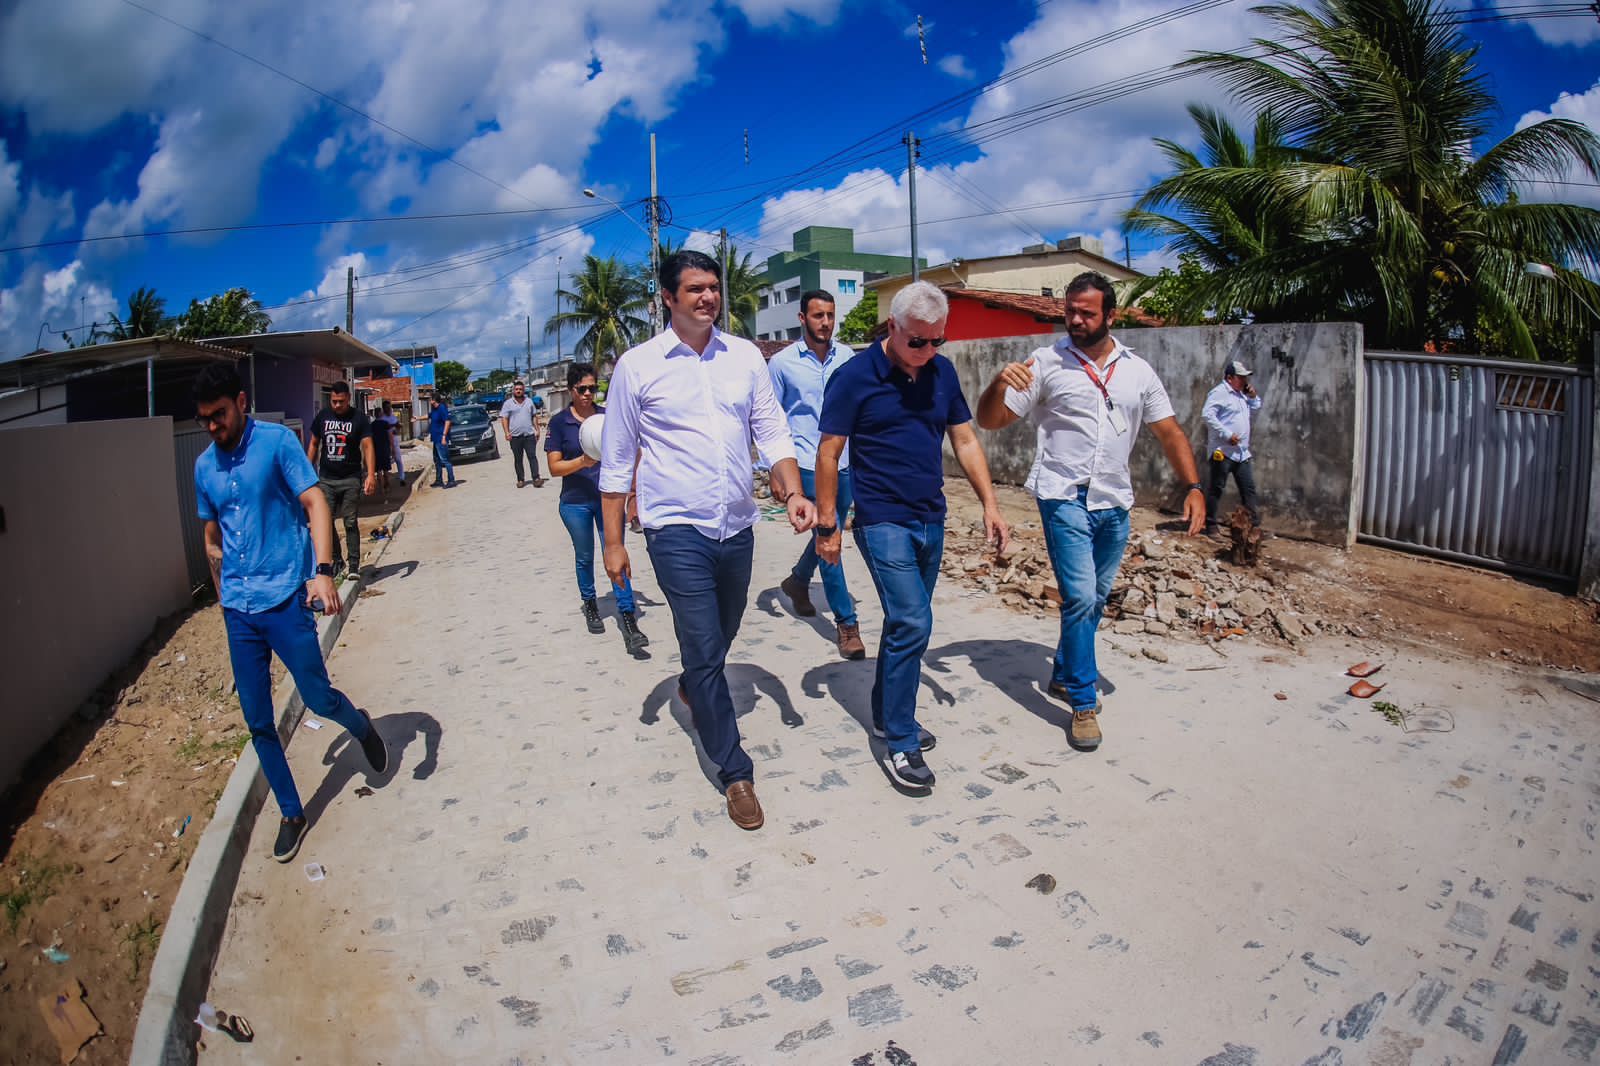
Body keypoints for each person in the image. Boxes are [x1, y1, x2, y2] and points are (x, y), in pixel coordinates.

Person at [600, 250, 816, 831]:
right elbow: (618, 462)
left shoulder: (744, 356)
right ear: (668, 298)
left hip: (738, 525)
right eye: (694, 289)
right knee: (701, 645)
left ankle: (697, 683)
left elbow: (771, 428)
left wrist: (792, 490)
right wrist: (614, 543)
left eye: (713, 288)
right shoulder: (638, 366)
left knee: (722, 631)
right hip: (675, 529)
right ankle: (734, 770)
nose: (708, 297)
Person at [976, 272, 1205, 753]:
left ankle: (1062, 671)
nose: (1076, 320)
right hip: (1062, 495)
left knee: (1096, 599)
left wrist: (1194, 487)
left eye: (1087, 312)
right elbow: (990, 421)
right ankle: (1081, 702)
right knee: (1079, 596)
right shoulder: (1045, 363)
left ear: (1110, 315)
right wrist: (998, 383)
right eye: (1070, 311)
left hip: (1114, 501)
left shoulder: (1137, 370)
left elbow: (1169, 432)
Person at [816, 281, 1010, 793]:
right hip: (881, 519)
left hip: (930, 516)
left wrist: (990, 503)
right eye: (917, 341)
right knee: (911, 619)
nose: (927, 352)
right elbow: (829, 453)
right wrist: (827, 523)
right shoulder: (854, 377)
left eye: (936, 341)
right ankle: (899, 740)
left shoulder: (941, 372)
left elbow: (964, 438)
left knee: (907, 626)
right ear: (893, 327)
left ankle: (884, 712)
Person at [191, 362, 387, 863]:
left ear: (240, 401)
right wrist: (221, 595)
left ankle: (361, 726)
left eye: (219, 414)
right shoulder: (203, 467)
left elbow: (315, 502)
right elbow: (212, 538)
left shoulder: (277, 443)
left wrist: (322, 571)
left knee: (318, 699)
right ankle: (292, 812)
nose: (213, 426)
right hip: (239, 611)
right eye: (204, 419)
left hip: (284, 599)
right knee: (257, 722)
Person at [768, 290, 865, 660]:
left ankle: (797, 581)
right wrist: (775, 472)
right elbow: (770, 420)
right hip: (805, 462)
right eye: (818, 315)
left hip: (845, 462)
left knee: (829, 529)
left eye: (830, 315)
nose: (825, 322)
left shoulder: (848, 358)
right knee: (830, 533)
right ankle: (847, 622)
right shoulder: (782, 364)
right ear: (801, 317)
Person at [546, 362, 648, 653]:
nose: (589, 393)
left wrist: (633, 494)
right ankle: (590, 604)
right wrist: (583, 462)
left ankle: (628, 618)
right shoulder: (558, 423)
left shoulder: (608, 417)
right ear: (571, 390)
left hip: (609, 500)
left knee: (616, 554)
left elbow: (633, 451)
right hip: (575, 502)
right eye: (583, 389)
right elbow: (554, 467)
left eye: (594, 388)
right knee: (585, 556)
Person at [307, 381, 376, 579]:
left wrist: (370, 474)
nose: (337, 405)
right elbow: (313, 444)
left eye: (341, 402)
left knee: (350, 521)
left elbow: (368, 446)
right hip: (326, 478)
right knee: (325, 521)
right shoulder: (323, 416)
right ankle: (337, 560)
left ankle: (354, 565)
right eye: (334, 401)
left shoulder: (359, 418)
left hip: (351, 478)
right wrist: (305, 472)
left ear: (349, 398)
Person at [1202, 360, 1263, 535]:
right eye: (1241, 377)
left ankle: (1253, 526)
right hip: (1223, 451)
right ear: (1230, 378)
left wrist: (1252, 396)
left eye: (1245, 378)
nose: (1244, 381)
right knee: (1216, 488)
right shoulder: (1219, 393)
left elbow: (1256, 406)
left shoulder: (1241, 394)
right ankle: (1211, 525)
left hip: (1242, 453)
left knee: (1248, 489)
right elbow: (1207, 415)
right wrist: (1227, 434)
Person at [501, 380, 546, 488]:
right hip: (515, 437)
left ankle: (536, 478)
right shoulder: (508, 404)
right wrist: (507, 432)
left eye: (520, 389)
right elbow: (504, 418)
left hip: (529, 435)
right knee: (518, 459)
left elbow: (534, 416)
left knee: (532, 456)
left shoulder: (529, 402)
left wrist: (537, 430)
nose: (518, 391)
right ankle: (520, 479)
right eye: (516, 389)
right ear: (513, 391)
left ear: (524, 390)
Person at [428, 395, 457, 488]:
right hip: (436, 439)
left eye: (430, 399)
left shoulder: (442, 408)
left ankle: (451, 480)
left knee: (445, 460)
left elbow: (447, 421)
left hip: (441, 438)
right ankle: (439, 480)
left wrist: (444, 436)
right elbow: (429, 416)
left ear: (434, 400)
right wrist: (417, 418)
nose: (429, 401)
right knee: (437, 460)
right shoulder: (434, 409)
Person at [371, 400, 395, 503]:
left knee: (378, 471)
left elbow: (369, 438)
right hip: (384, 448)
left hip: (375, 449)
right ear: (380, 414)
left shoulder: (371, 425)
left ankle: (381, 489)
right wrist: (392, 447)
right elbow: (390, 435)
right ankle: (387, 486)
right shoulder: (385, 424)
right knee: (386, 469)